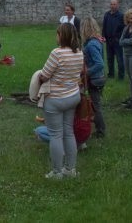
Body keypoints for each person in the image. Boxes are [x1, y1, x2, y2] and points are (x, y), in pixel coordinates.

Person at [39, 23, 83, 179]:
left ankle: (57, 172)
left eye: (57, 34)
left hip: (56, 99)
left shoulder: (56, 53)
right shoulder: (79, 53)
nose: (56, 36)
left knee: (56, 135)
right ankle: (70, 169)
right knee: (69, 132)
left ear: (62, 36)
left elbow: (44, 75)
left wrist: (39, 77)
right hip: (72, 96)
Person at [80, 17, 106, 138]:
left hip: (95, 79)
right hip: (98, 77)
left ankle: (101, 130)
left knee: (96, 106)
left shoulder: (92, 44)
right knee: (95, 104)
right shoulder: (97, 41)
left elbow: (99, 63)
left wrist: (87, 73)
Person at [102, 0, 125, 79]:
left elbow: (123, 29)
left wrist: (119, 38)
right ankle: (111, 74)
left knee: (119, 59)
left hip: (117, 41)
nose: (113, 6)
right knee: (109, 59)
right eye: (111, 4)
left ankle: (121, 76)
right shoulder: (107, 14)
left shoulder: (121, 16)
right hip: (108, 41)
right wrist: (103, 36)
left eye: (114, 4)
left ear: (118, 5)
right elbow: (104, 26)